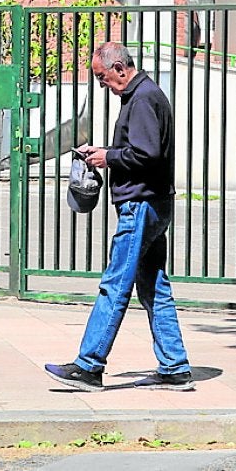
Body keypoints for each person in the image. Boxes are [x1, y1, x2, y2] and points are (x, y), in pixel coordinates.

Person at [44, 41, 194, 392]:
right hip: (154, 203)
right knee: (154, 288)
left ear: (120, 69)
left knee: (115, 285)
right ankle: (175, 366)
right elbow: (142, 149)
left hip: (140, 206)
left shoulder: (142, 98)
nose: (101, 84)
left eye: (102, 77)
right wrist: (106, 152)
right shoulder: (146, 94)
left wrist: (106, 158)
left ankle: (89, 365)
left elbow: (147, 153)